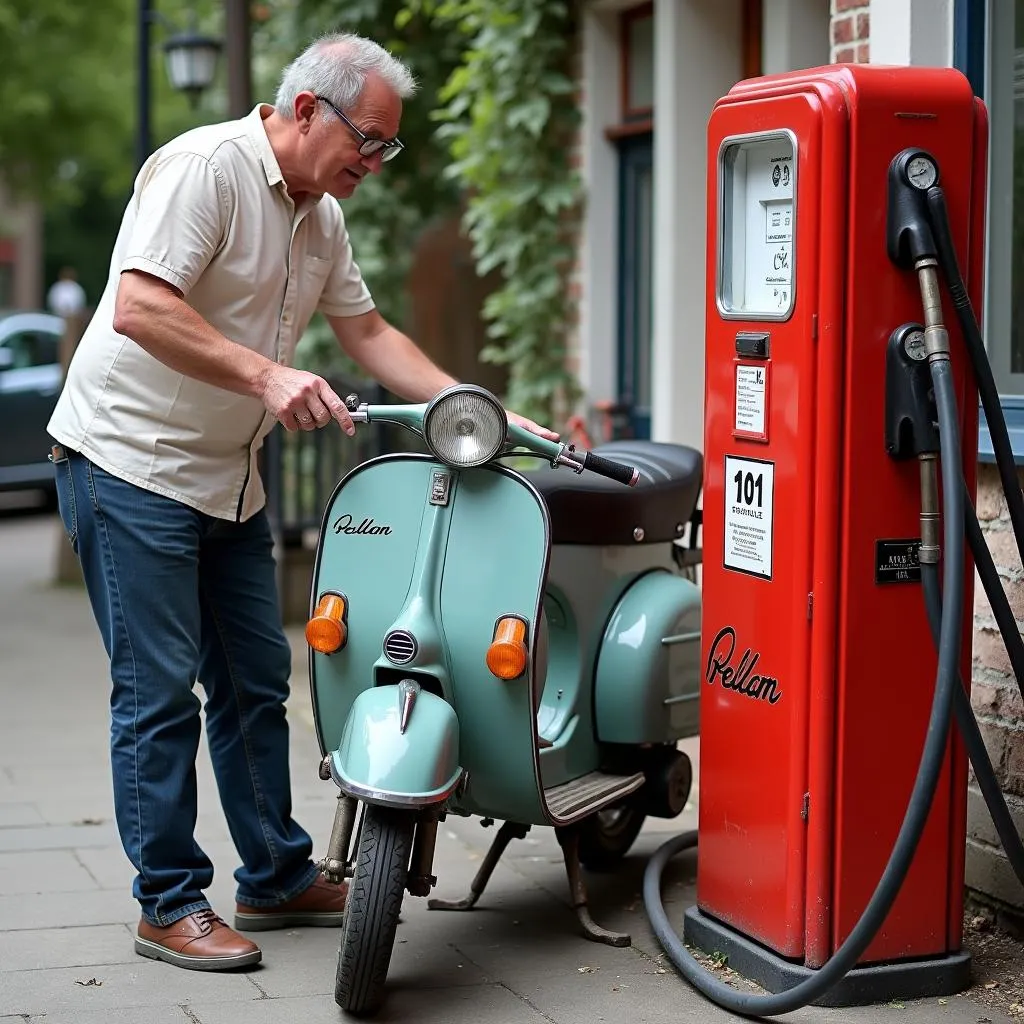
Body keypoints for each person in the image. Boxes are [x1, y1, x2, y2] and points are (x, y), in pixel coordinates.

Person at [46, 31, 556, 973]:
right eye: (369, 137)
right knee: (157, 695)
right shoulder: (207, 168)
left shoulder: (320, 217)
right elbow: (139, 306)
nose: (375, 160)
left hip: (226, 474)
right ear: (308, 108)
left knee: (256, 684)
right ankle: (168, 903)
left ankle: (276, 875)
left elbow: (365, 327)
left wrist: (472, 409)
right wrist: (268, 376)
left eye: (388, 146)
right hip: (128, 465)